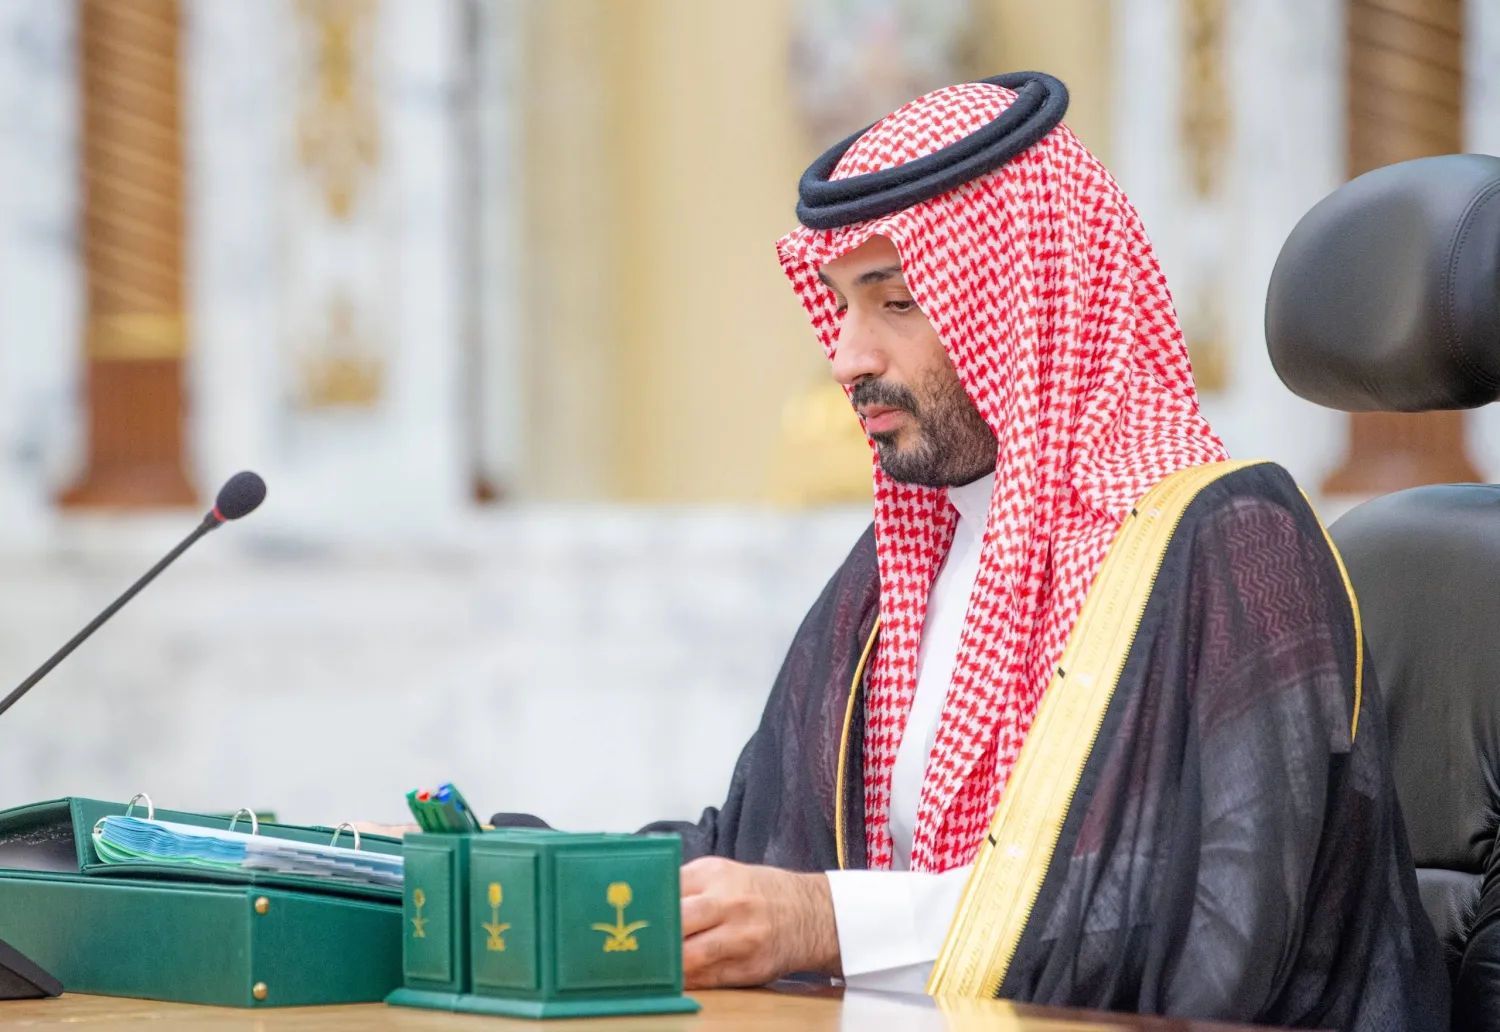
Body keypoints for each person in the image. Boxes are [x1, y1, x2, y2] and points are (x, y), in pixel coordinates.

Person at [499, 74, 1450, 1029]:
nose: (847, 356)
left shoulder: (1231, 541)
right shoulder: (900, 563)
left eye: (898, 303)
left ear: (1026, 300)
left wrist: (828, 923)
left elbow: (1197, 924)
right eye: (841, 306)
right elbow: (756, 846)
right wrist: (502, 869)